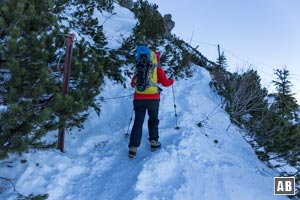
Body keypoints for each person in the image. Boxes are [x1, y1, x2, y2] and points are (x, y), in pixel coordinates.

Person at [128, 50, 174, 157]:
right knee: (153, 119)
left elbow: (132, 84)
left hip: (138, 99)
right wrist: (172, 79)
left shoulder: (140, 67)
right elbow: (165, 83)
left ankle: (133, 148)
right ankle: (154, 142)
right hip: (153, 99)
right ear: (156, 58)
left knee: (138, 122)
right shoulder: (157, 68)